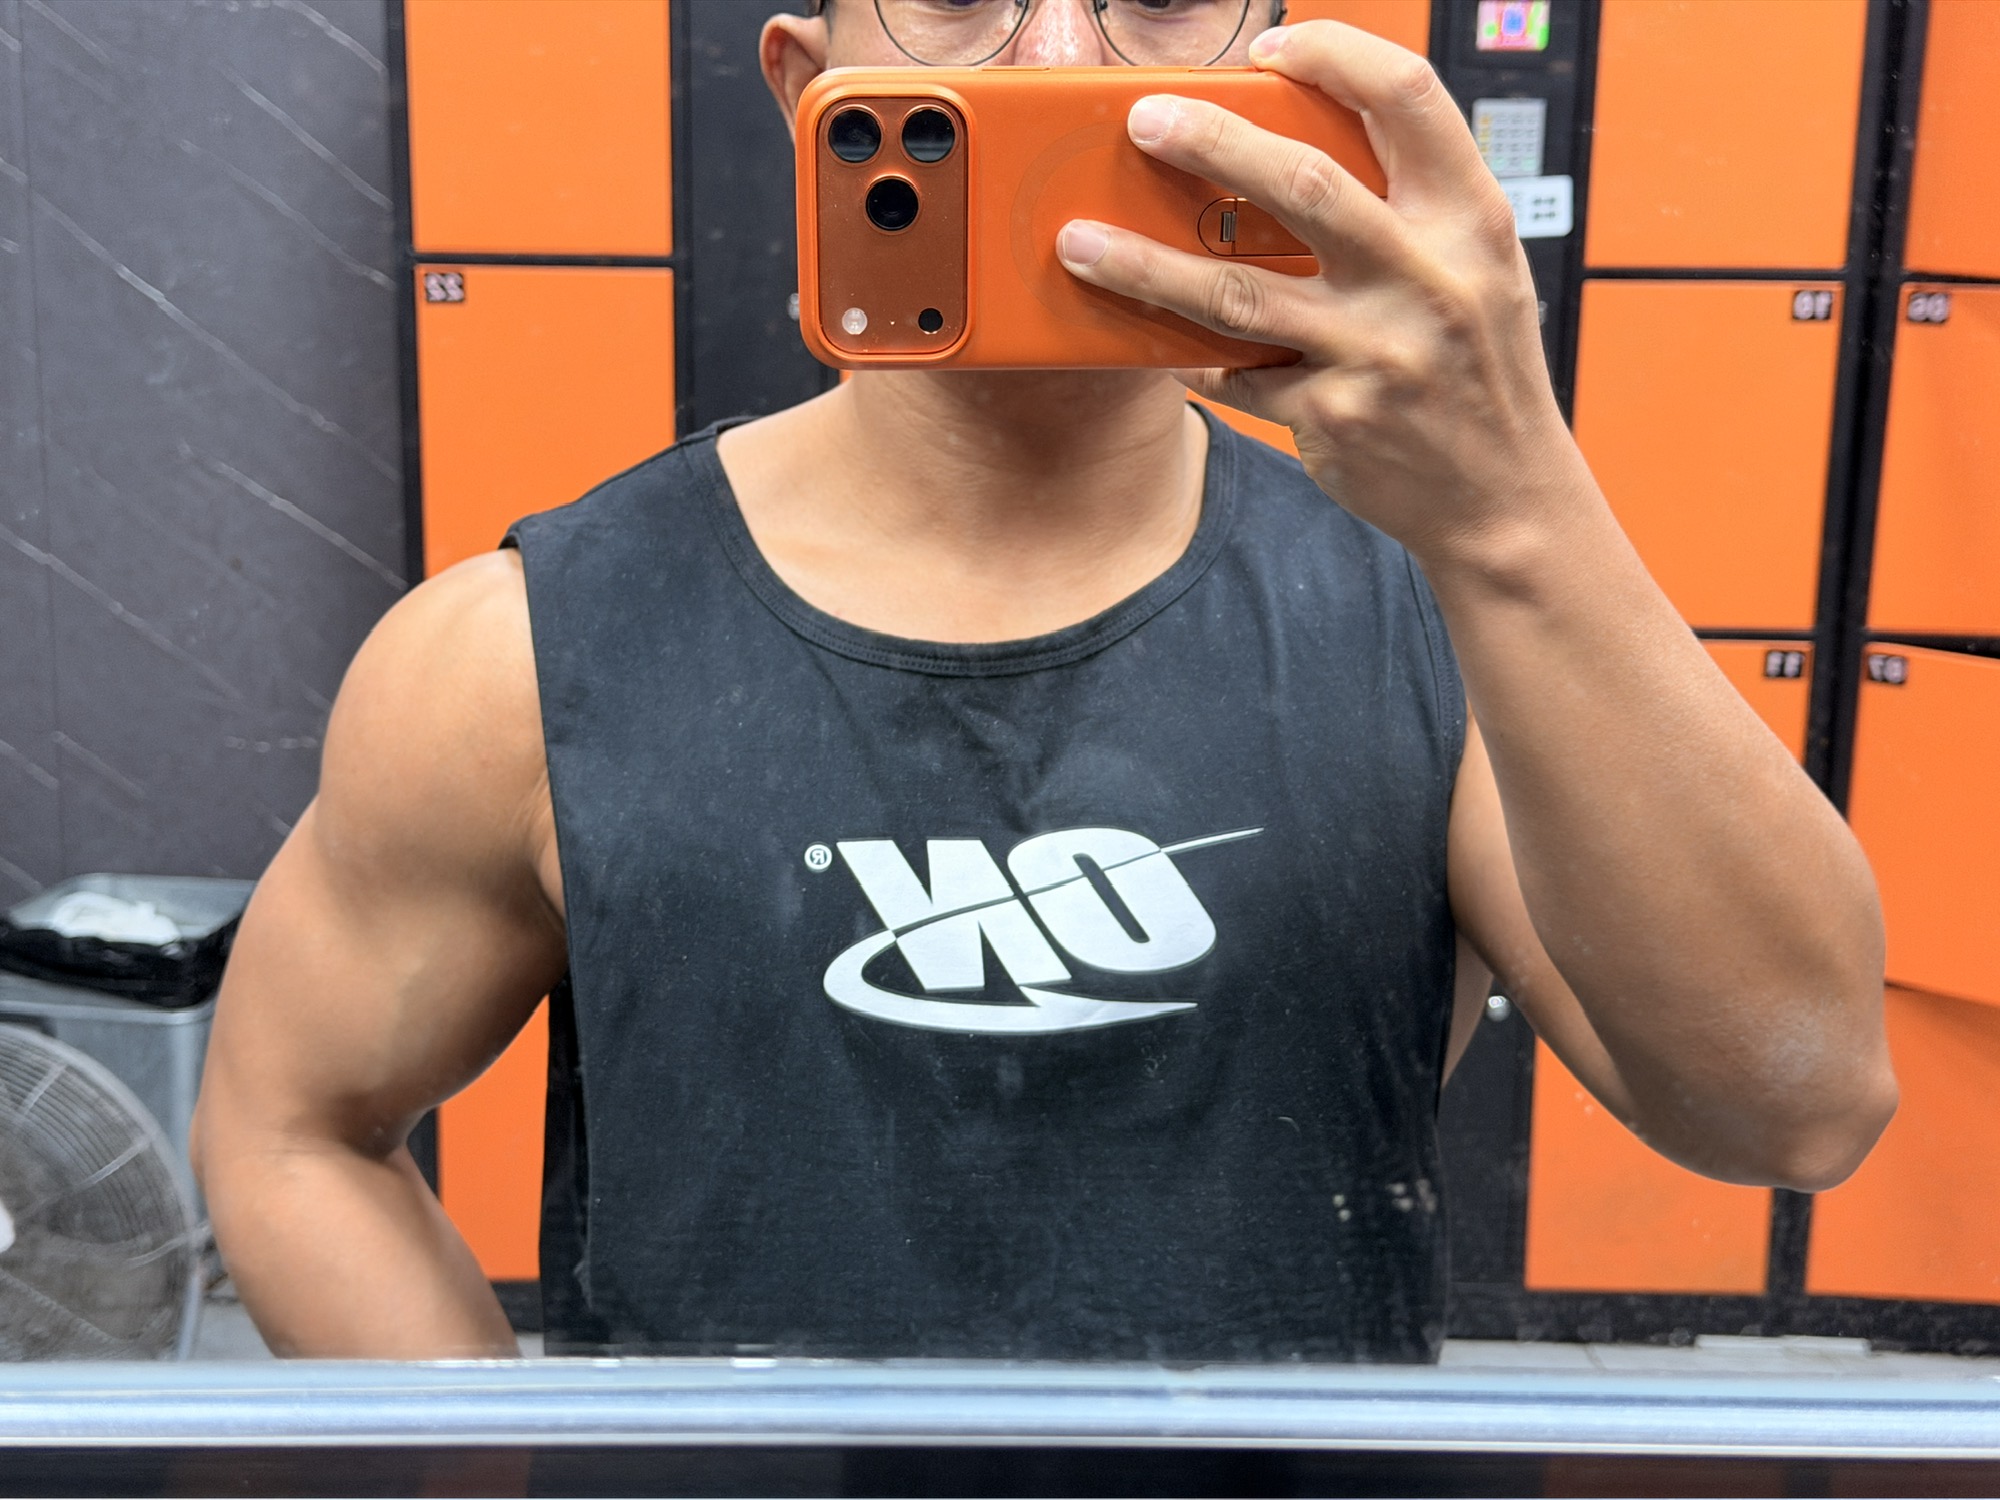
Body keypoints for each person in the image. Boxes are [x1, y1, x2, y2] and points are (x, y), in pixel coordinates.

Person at [192, 0, 1895, 1361]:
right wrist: (504, 1474)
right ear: (808, 88)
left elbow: (1796, 1107)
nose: (1062, 62)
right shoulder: (516, 651)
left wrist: (1517, 508)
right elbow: (291, 1128)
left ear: (1282, 82)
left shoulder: (1446, 621)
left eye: (1160, 0)